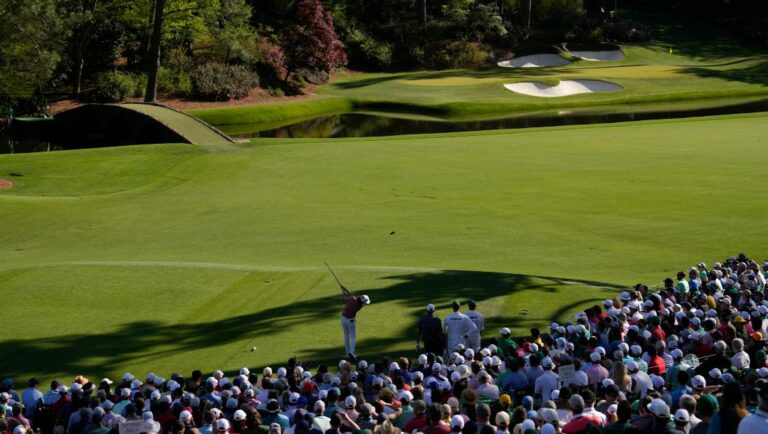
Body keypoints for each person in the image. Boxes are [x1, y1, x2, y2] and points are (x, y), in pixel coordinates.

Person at [340, 284, 370, 360]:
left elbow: (346, 298)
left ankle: (347, 354)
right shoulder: (360, 306)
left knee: (346, 336)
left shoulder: (353, 299)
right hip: (351, 320)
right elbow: (350, 295)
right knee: (353, 337)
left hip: (343, 319)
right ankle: (352, 351)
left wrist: (343, 291)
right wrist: (345, 289)